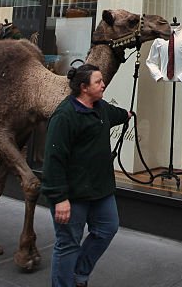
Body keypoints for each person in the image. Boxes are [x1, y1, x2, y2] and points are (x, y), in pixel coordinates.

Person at [41, 64, 131, 287]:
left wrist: (127, 114)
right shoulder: (65, 116)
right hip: (72, 196)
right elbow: (54, 160)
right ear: (83, 87)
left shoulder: (100, 107)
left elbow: (115, 114)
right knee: (68, 244)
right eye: (98, 82)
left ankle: (79, 274)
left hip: (100, 191)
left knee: (107, 229)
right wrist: (59, 198)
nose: (103, 85)